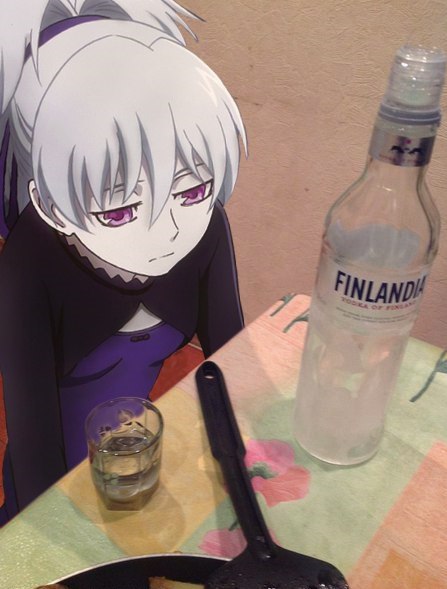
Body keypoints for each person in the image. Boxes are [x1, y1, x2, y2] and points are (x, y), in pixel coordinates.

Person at [0, 0, 247, 516]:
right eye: (118, 211)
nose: (168, 230)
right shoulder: (27, 264)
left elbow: (231, 362)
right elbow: (32, 435)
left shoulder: (206, 229)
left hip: (139, 457)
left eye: (193, 190)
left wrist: (242, 472)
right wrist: (51, 532)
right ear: (51, 206)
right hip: (52, 478)